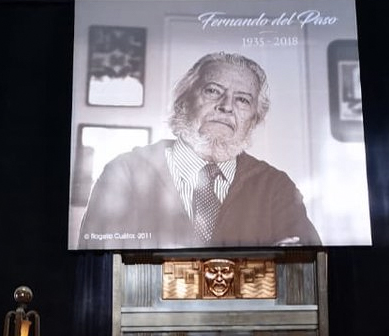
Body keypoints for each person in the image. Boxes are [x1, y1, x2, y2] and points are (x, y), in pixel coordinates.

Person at [77, 52, 321, 250]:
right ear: (183, 101)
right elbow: (98, 270)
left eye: (243, 100)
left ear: (254, 120)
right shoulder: (125, 173)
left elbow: (306, 268)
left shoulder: (276, 187)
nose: (226, 106)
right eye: (213, 90)